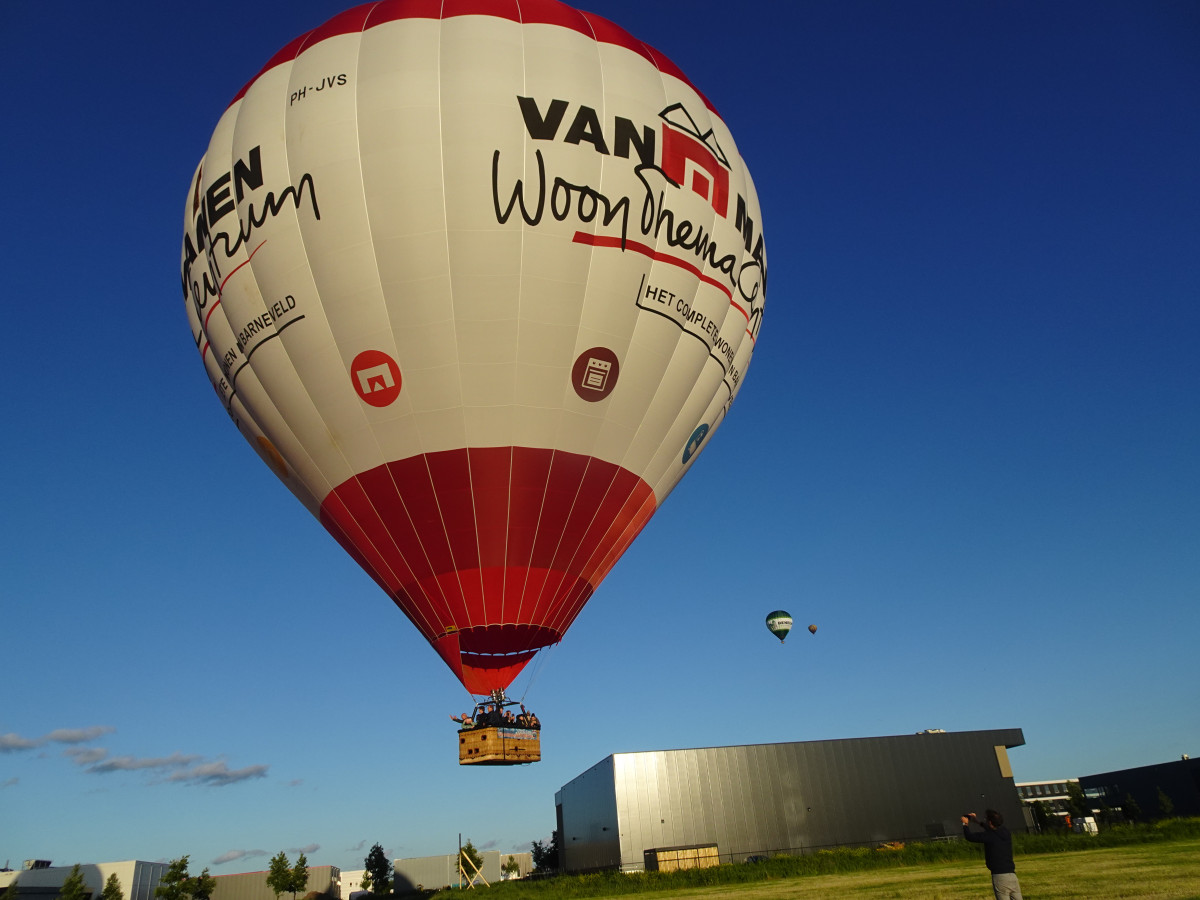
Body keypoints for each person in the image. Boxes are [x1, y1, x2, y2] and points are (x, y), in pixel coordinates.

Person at [962, 810, 1022, 900]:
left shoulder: (989, 836)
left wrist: (965, 824)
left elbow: (969, 837)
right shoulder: (1005, 832)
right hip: (1012, 875)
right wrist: (977, 821)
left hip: (999, 876)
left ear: (990, 822)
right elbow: (992, 829)